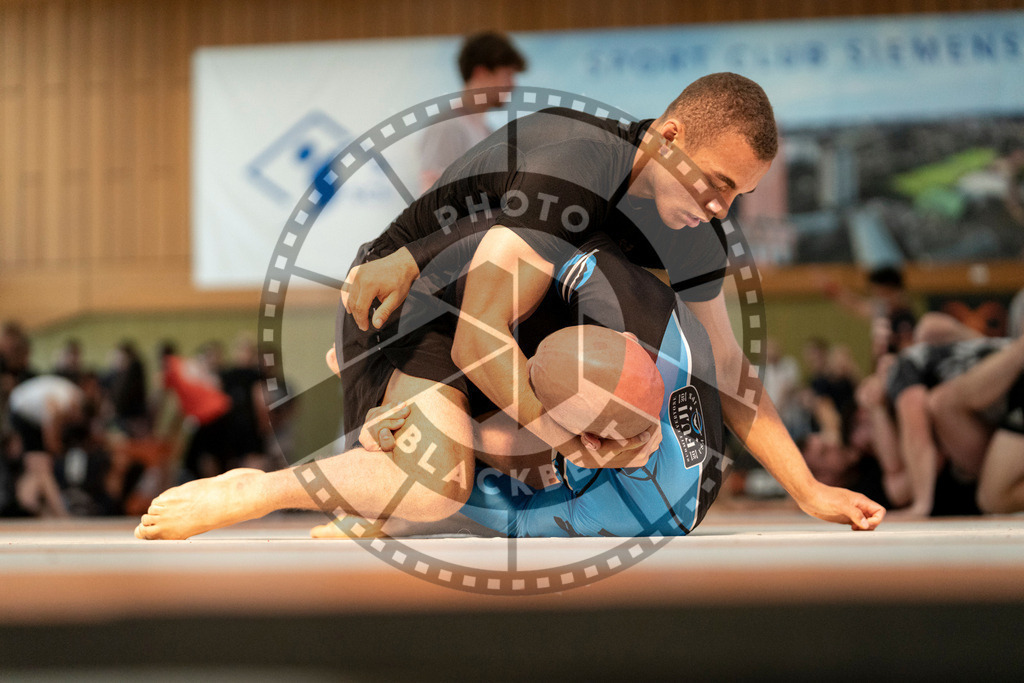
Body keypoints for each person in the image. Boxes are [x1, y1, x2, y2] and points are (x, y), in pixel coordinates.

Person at [136, 73, 883, 540]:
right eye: (717, 181)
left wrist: (809, 490)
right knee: (437, 487)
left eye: (738, 196)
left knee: (611, 364)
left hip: (505, 317)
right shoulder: (577, 162)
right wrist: (555, 430)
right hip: (412, 308)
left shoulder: (693, 229)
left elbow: (728, 363)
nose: (721, 205)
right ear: (670, 134)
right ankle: (262, 488)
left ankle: (398, 446)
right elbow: (473, 335)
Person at [418, 31, 527, 194]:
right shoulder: (448, 127)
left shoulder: (484, 130)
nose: (512, 84)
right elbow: (431, 201)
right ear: (481, 73)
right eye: (507, 75)